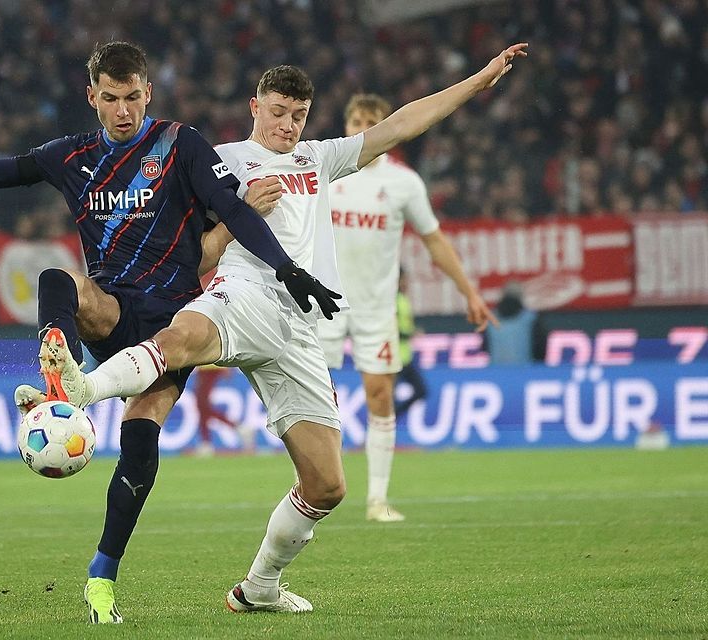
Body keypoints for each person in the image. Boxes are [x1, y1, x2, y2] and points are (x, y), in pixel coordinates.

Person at [0, 41, 337, 624]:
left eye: (133, 98)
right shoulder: (69, 156)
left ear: (148, 93)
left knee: (140, 443)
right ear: (91, 96)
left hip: (173, 322)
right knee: (57, 280)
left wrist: (287, 267)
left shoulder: (181, 145)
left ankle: (102, 575)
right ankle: (58, 381)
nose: (124, 111)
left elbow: (238, 209)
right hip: (113, 312)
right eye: (112, 99)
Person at [45, 44, 527, 613]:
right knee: (181, 341)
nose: (287, 125)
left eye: (297, 114)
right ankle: (83, 389)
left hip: (300, 328)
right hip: (243, 295)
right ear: (255, 107)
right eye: (277, 111)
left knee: (327, 484)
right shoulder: (217, 159)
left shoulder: (319, 159)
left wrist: (477, 80)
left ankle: (259, 587)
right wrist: (234, 215)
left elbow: (401, 125)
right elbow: (188, 261)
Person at [318, 94, 497, 523]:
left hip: (376, 309)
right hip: (322, 305)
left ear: (387, 126)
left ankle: (377, 500)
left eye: (372, 120)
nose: (363, 127)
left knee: (381, 396)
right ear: (346, 125)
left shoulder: (403, 182)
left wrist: (469, 292)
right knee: (316, 400)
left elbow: (434, 241)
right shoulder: (324, 171)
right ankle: (310, 488)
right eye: (357, 119)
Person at [392, 268, 428, 422]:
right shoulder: (392, 301)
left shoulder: (402, 299)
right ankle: (382, 432)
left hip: (405, 357)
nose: (407, 283)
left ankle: (392, 420)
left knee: (421, 391)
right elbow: (389, 329)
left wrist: (410, 332)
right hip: (392, 357)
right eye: (404, 279)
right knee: (386, 401)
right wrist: (409, 335)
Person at [486, 282, 537, 365]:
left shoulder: (490, 319)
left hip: (496, 373)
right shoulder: (531, 318)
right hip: (525, 372)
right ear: (521, 296)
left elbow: (484, 347)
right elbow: (540, 348)